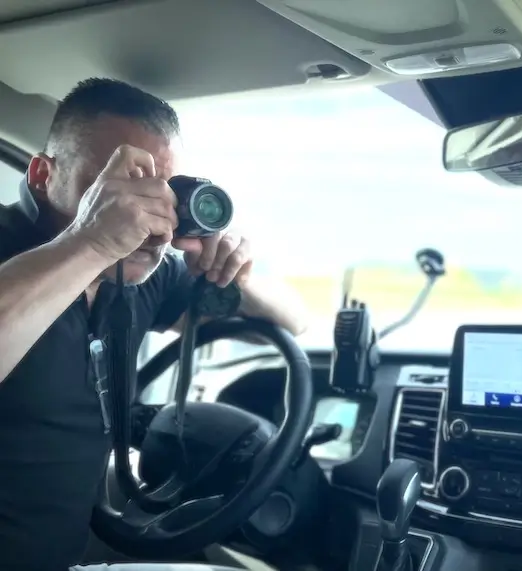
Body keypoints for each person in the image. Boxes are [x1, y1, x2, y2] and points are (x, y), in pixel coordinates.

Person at [0, 78, 309, 571]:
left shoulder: (143, 276)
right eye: (115, 190)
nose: (145, 220)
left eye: (159, 194)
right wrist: (93, 241)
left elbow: (289, 323)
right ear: (42, 174)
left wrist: (237, 274)